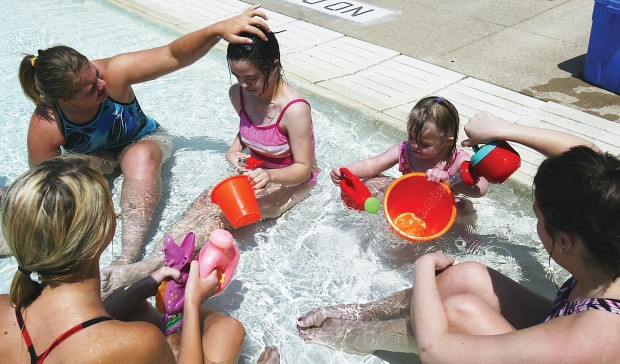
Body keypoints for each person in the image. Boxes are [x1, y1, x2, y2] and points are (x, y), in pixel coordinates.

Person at [297, 110, 620, 363]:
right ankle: (361, 312)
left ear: (565, 241)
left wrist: (424, 267)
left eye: (537, 217)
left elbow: (435, 350)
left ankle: (353, 334)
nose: (537, 223)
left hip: (575, 344)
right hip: (567, 324)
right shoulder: (610, 219)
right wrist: (504, 130)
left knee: (456, 315)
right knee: (469, 276)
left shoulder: (595, 336)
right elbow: (590, 160)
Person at [18, 5, 270, 267]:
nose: (101, 83)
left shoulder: (114, 73)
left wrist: (218, 30)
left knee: (140, 155)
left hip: (142, 139)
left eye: (95, 73)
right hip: (95, 158)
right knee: (74, 168)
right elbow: (45, 184)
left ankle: (128, 255)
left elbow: (173, 55)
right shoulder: (47, 124)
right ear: (64, 99)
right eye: (91, 88)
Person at [100, 27, 319, 294]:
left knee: (221, 215)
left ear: (274, 67)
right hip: (256, 171)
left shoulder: (295, 109)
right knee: (205, 200)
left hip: (290, 181)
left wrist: (271, 176)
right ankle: (147, 260)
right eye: (237, 76)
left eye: (251, 77)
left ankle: (147, 269)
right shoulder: (238, 94)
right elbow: (249, 128)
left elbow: (304, 168)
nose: (243, 85)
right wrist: (233, 149)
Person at [0, 155, 245, 363]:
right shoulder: (140, 341)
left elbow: (75, 331)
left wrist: (147, 283)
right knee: (228, 330)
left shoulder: (5, 308)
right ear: (101, 233)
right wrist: (192, 302)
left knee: (137, 306)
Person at [330, 96, 488, 201]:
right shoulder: (405, 150)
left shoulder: (459, 160)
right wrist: (347, 173)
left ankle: (468, 239)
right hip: (409, 197)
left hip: (443, 204)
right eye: (412, 137)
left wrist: (450, 181)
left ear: (447, 142)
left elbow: (480, 189)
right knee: (373, 181)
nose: (414, 146)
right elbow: (372, 165)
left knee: (465, 208)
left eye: (424, 144)